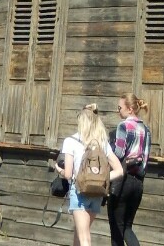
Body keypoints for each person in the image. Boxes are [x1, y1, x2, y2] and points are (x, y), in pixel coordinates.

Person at [58, 104, 123, 246]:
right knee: (80, 232)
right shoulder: (102, 143)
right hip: (97, 194)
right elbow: (119, 170)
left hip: (79, 191)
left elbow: (68, 174)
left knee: (85, 239)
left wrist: (59, 170)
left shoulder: (71, 141)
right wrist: (101, 180)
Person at [107, 95, 151, 246]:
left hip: (122, 182)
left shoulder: (123, 126)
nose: (117, 110)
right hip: (138, 183)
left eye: (119, 108)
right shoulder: (146, 129)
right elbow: (145, 159)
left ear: (130, 109)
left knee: (116, 229)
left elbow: (119, 153)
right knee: (127, 228)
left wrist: (106, 151)